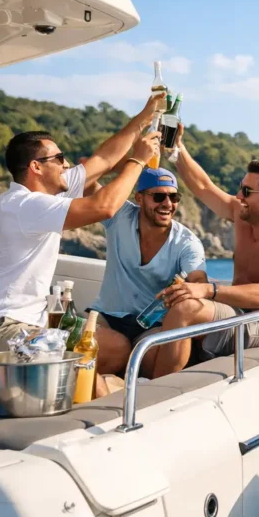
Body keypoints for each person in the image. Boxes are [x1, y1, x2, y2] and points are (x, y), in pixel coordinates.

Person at [0, 94, 163, 351]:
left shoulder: (44, 197)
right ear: (36, 167)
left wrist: (146, 115)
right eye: (59, 158)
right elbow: (104, 207)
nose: (67, 164)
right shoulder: (22, 205)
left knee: (117, 348)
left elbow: (104, 160)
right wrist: (138, 160)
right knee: (91, 359)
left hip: (32, 322)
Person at [139, 140, 259, 378]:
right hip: (235, 310)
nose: (239, 195)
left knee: (185, 308)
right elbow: (203, 187)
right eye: (241, 187)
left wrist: (207, 290)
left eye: (247, 191)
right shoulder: (243, 215)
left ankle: (152, 401)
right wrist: (177, 150)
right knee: (146, 343)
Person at [87, 167, 208, 390]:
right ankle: (113, 386)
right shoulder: (119, 215)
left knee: (157, 372)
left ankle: (118, 387)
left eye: (174, 197)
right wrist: (132, 161)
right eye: (159, 196)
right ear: (139, 198)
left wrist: (188, 289)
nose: (167, 204)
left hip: (150, 326)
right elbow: (85, 181)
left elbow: (198, 280)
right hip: (107, 316)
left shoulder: (186, 242)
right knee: (104, 351)